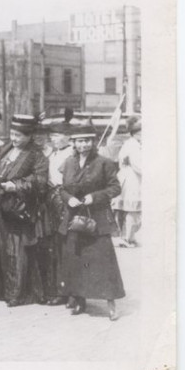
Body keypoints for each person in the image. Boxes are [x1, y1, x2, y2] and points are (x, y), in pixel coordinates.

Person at [58, 128, 125, 320]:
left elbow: (115, 187)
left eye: (87, 141)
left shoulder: (104, 162)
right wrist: (68, 198)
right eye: (79, 141)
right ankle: (79, 300)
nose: (83, 145)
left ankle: (111, 303)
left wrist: (93, 197)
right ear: (74, 142)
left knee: (104, 261)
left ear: (93, 142)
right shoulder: (69, 163)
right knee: (76, 259)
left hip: (97, 218)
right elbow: (62, 188)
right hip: (74, 217)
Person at [0, 114, 48, 307]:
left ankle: (19, 293)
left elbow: (40, 182)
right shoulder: (7, 148)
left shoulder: (36, 154)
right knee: (5, 250)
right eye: (12, 134)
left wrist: (15, 186)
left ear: (29, 136)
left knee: (18, 252)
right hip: (3, 207)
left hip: (21, 210)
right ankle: (8, 290)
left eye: (18, 136)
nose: (14, 139)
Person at [36, 117, 76, 306]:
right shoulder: (52, 154)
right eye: (52, 135)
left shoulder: (72, 155)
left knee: (66, 244)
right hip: (50, 200)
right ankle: (56, 288)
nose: (54, 138)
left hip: (65, 200)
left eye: (58, 135)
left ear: (68, 137)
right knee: (53, 246)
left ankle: (69, 290)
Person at [112, 115, 142, 247]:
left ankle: (128, 236)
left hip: (126, 177)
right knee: (132, 210)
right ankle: (126, 238)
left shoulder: (130, 143)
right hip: (132, 179)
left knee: (128, 210)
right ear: (136, 133)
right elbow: (139, 165)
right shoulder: (134, 146)